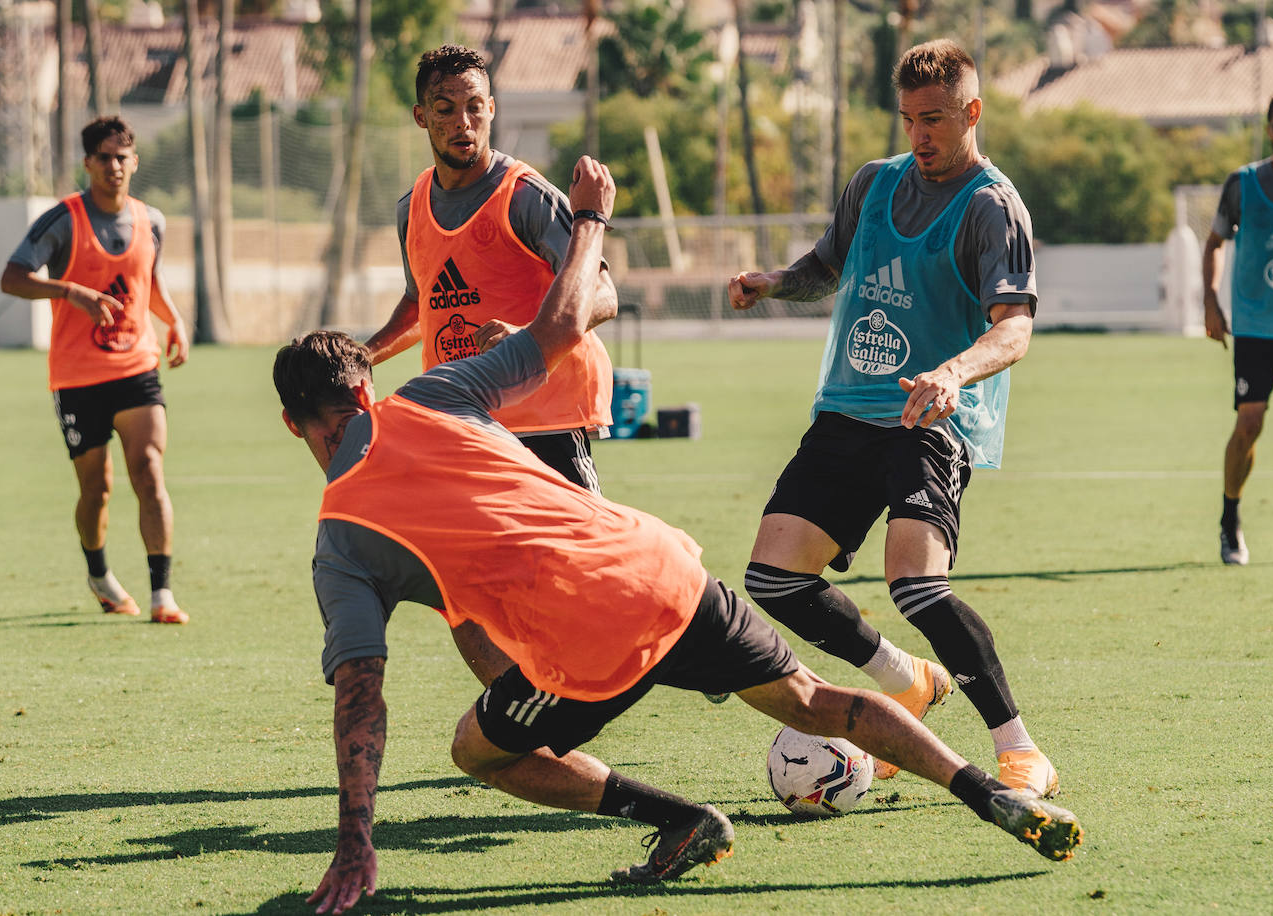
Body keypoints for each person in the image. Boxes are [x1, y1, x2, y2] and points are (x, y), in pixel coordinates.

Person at [276, 157, 1083, 915]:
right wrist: (589, 219)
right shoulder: (435, 392)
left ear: (294, 424)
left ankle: (678, 817)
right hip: (661, 565)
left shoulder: (342, 538)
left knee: (477, 753)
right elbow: (562, 326)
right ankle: (988, 792)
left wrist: (355, 842)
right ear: (367, 388)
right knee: (813, 701)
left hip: (588, 638)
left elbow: (360, 697)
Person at [728, 40, 1055, 796]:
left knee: (916, 585)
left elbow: (1015, 328)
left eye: (935, 119)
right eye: (908, 119)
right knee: (772, 581)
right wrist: (773, 282)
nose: (920, 135)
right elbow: (827, 266)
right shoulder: (874, 184)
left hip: (929, 419)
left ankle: (1018, 747)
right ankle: (903, 679)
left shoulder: (991, 206)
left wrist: (951, 373)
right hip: (845, 412)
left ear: (972, 112)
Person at [363, 44, 615, 494]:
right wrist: (362, 357)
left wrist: (529, 335)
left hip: (544, 425)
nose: (463, 122)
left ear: (492, 109)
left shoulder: (527, 197)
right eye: (446, 109)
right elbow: (424, 301)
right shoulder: (411, 207)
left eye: (475, 107)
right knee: (472, 562)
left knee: (576, 559)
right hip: (462, 418)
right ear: (421, 116)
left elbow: (602, 294)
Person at [0, 115, 189, 624]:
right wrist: (70, 291)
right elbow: (12, 278)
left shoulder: (152, 220)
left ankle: (161, 594)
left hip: (136, 366)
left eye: (121, 157)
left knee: (149, 471)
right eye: (103, 157)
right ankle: (100, 574)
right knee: (96, 489)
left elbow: (151, 279)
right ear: (87, 163)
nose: (113, 166)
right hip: (78, 377)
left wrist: (175, 323)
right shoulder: (62, 221)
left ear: (135, 161)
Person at [1201, 90, 1273, 566]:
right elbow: (1214, 243)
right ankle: (1230, 520)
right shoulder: (1242, 184)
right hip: (1257, 329)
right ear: (1268, 130)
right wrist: (1210, 302)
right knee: (1250, 424)